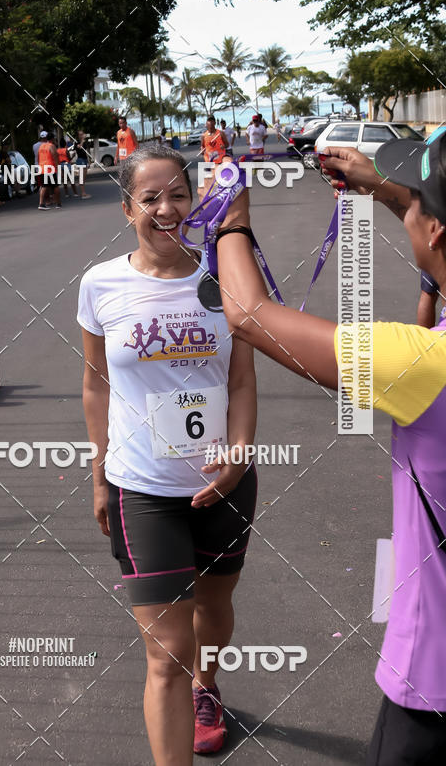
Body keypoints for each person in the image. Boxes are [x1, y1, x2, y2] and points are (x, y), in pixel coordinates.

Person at [205, 133, 446, 766]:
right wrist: (389, 190)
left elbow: (250, 315)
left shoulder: (422, 365)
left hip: (436, 681)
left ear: (437, 235)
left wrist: (230, 223)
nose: (411, 212)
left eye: (419, 204)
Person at [78, 146, 258, 762]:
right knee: (165, 655)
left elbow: (240, 380)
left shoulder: (223, 276)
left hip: (222, 481)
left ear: (195, 201)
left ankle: (208, 689)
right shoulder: (100, 283)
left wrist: (237, 456)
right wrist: (100, 477)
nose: (166, 208)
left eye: (178, 194)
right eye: (150, 198)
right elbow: (95, 383)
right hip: (141, 489)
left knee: (215, 607)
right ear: (127, 208)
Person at [37, 132, 61, 210]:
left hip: (42, 169)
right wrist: (58, 168)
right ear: (52, 139)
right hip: (50, 169)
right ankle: (58, 203)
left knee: (44, 186)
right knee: (55, 186)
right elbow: (55, 156)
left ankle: (41, 204)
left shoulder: (41, 146)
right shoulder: (51, 146)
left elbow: (38, 158)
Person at [73, 129, 91, 200]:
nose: (82, 135)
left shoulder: (84, 142)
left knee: (84, 177)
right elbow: (79, 147)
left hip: (84, 160)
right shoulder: (76, 142)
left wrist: (88, 161)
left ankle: (83, 192)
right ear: (78, 136)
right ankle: (83, 194)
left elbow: (85, 151)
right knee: (82, 177)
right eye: (80, 134)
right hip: (80, 160)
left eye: (82, 134)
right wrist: (82, 140)